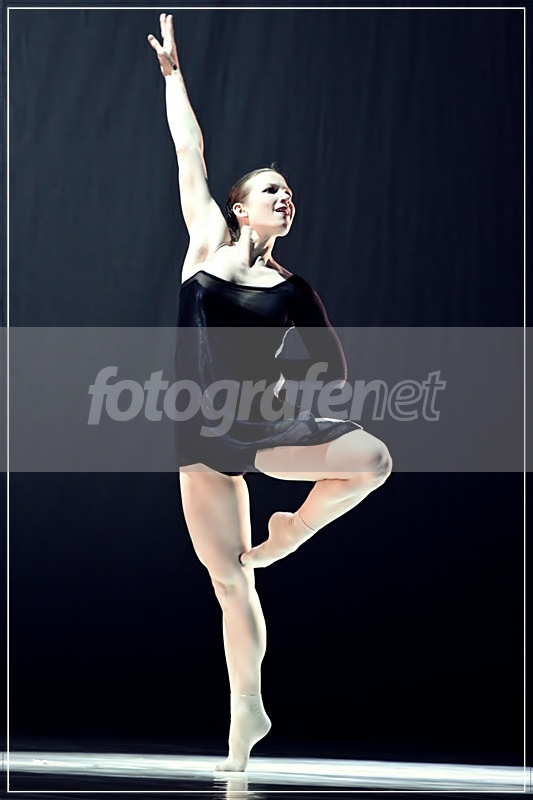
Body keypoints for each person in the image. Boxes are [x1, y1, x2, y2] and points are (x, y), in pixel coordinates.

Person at [148, 13, 392, 773]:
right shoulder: (204, 244)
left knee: (373, 459)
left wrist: (283, 387)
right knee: (228, 579)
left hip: (258, 433)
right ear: (240, 206)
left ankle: (292, 531)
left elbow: (332, 370)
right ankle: (246, 713)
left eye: (289, 193)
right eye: (271, 190)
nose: (285, 198)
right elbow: (188, 152)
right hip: (198, 438)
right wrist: (173, 76)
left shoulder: (294, 289)